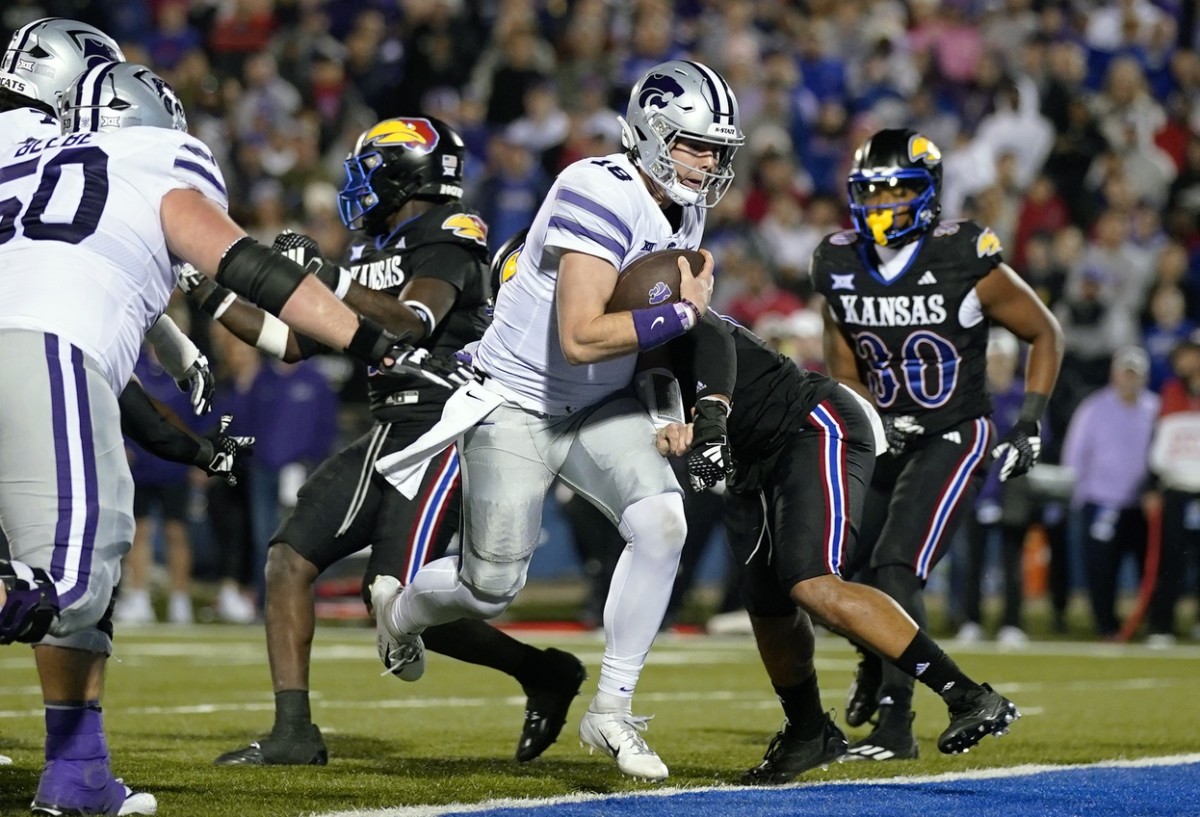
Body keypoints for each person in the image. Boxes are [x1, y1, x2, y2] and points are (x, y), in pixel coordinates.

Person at [0, 59, 452, 816]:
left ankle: (77, 770)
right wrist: (373, 341)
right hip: (43, 351)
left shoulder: (28, 171)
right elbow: (248, 265)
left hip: (50, 355)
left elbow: (122, 369)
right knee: (64, 585)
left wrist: (194, 440)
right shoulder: (150, 160)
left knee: (94, 573)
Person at [371, 59, 740, 781]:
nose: (710, 162)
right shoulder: (593, 188)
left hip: (595, 404)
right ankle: (400, 613)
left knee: (665, 519)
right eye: (696, 144)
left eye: (717, 149)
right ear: (651, 132)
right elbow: (581, 333)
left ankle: (612, 708)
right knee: (491, 587)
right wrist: (685, 309)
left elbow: (652, 339)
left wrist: (666, 404)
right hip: (515, 401)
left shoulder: (684, 204)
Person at [207, 115, 586, 766]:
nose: (359, 185)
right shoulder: (365, 250)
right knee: (289, 560)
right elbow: (297, 342)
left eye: (370, 169)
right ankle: (294, 731)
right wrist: (212, 293)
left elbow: (414, 321)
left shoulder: (451, 233)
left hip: (448, 426)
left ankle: (541, 670)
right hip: (391, 427)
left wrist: (325, 278)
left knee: (396, 599)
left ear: (406, 173)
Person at [653, 308, 1023, 784]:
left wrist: (709, 414)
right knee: (766, 606)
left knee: (812, 582)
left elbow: (710, 334)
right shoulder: (588, 346)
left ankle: (968, 695)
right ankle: (808, 731)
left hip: (809, 425)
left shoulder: (646, 303)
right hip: (750, 462)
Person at [810, 128, 1063, 761]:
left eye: (897, 190)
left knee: (896, 565)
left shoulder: (962, 255)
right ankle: (877, 659)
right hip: (886, 436)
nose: (883, 204)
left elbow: (1045, 331)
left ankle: (897, 723)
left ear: (927, 195)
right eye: (872, 192)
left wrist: (1029, 419)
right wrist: (867, 413)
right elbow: (843, 363)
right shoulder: (837, 261)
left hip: (954, 431)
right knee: (824, 571)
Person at [1061, 346, 1158, 638]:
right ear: (1114, 374)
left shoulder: (1155, 408)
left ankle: (1149, 624)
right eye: (1125, 372)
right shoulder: (1093, 408)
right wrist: (1076, 498)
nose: (1130, 379)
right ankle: (1106, 625)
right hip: (1101, 501)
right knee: (1102, 571)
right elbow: (1074, 455)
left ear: (1144, 377)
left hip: (1143, 504)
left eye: (1135, 374)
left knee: (1149, 568)